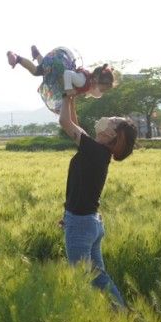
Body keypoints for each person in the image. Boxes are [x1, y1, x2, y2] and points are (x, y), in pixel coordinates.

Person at [57, 94, 137, 309]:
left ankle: (116, 314)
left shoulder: (95, 151)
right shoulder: (97, 151)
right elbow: (75, 123)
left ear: (112, 134)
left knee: (84, 278)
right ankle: (118, 314)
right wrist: (71, 99)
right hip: (88, 222)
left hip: (82, 224)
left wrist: (65, 92)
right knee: (98, 277)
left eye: (112, 120)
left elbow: (65, 122)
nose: (107, 118)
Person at [6, 45, 118, 114]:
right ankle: (17, 58)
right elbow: (68, 74)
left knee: (45, 69)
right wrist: (68, 90)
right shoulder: (83, 81)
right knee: (37, 71)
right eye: (102, 90)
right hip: (57, 65)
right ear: (96, 81)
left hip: (55, 63)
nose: (101, 94)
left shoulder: (86, 79)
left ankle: (37, 54)